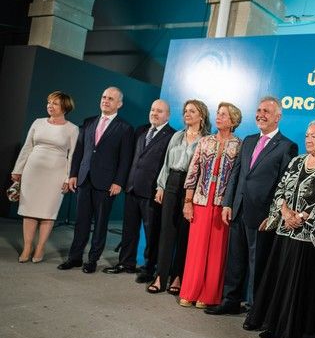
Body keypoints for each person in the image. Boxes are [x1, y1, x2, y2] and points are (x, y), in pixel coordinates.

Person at [244, 120, 315, 338]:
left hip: (308, 236)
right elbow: (281, 189)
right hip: (284, 230)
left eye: (314, 136)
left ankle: (293, 332)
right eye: (307, 135)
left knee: (298, 283)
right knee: (279, 277)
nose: (308, 139)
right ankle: (273, 324)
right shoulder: (296, 161)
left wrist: (299, 218)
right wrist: (285, 212)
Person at [205, 96, 298, 315]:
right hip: (238, 209)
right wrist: (228, 203)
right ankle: (230, 300)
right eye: (258, 110)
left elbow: (284, 186)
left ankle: (255, 309)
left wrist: (274, 215)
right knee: (235, 260)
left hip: (262, 215)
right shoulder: (247, 141)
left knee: (258, 265)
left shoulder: (287, 146)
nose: (261, 114)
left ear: (278, 117)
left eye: (267, 111)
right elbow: (236, 174)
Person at [58, 86, 134, 273]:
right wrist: (73, 174)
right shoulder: (89, 122)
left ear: (119, 104)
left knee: (100, 224)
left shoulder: (125, 128)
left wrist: (118, 182)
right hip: (84, 179)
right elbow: (79, 151)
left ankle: (92, 260)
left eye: (110, 98)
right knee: (81, 222)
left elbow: (125, 159)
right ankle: (74, 258)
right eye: (103, 97)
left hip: (107, 183)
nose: (105, 100)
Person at [178, 102, 242, 308]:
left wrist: (229, 203)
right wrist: (188, 201)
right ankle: (189, 291)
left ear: (233, 120)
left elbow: (237, 177)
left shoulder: (239, 146)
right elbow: (192, 173)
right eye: (218, 113)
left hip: (222, 204)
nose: (219, 117)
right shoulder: (204, 141)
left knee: (217, 251)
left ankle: (209, 296)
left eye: (224, 115)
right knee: (196, 248)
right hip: (201, 199)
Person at [103, 99, 175, 278]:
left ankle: (148, 269)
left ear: (167, 115)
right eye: (152, 109)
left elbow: (167, 166)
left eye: (159, 111)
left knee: (151, 233)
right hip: (132, 187)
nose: (154, 113)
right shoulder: (141, 130)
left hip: (151, 191)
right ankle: (126, 263)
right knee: (129, 229)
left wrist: (161, 188)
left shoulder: (172, 136)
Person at [147, 99, 210, 294]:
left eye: (192, 111)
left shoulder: (207, 140)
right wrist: (160, 187)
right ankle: (160, 276)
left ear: (202, 115)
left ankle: (177, 277)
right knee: (166, 232)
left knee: (184, 234)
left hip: (192, 188)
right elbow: (166, 164)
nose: (187, 114)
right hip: (172, 182)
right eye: (185, 111)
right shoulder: (176, 136)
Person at [11, 91, 79, 263]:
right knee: (29, 211)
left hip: (56, 175)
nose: (50, 106)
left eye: (55, 103)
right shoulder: (38, 123)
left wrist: (68, 178)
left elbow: (73, 156)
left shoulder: (72, 128)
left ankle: (40, 247)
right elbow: (27, 147)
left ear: (65, 107)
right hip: (32, 172)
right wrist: (17, 170)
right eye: (49, 102)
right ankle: (27, 247)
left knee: (48, 213)